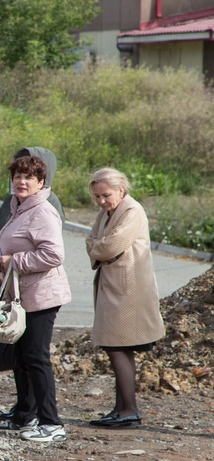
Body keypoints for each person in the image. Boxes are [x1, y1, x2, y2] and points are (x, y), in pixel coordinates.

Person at [0, 155, 71, 443]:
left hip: (42, 295)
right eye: (18, 176)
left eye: (29, 177)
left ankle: (51, 423)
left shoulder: (42, 211)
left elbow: (54, 255)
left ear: (41, 182)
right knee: (20, 356)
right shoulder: (17, 207)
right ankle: (24, 415)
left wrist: (12, 261)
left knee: (36, 357)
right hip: (20, 293)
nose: (21, 181)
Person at [85, 168, 165, 428]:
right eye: (97, 196)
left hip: (128, 289)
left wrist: (98, 247)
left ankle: (129, 410)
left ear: (121, 189)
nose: (101, 201)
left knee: (118, 347)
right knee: (118, 347)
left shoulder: (132, 211)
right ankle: (121, 409)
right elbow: (93, 241)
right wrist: (99, 246)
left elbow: (108, 245)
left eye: (105, 195)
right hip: (115, 287)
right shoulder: (107, 212)